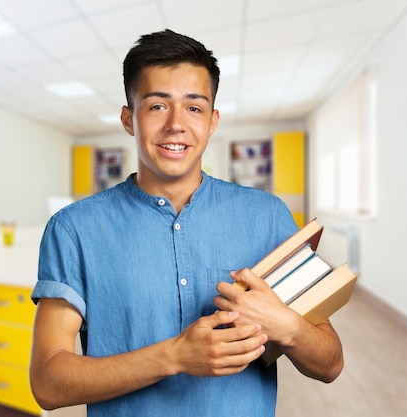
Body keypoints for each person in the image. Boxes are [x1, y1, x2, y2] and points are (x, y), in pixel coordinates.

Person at [29, 29, 343, 417]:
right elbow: (47, 382)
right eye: (157, 106)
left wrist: (288, 326)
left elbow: (330, 364)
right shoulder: (73, 229)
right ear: (129, 119)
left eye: (193, 108)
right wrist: (174, 356)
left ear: (212, 121)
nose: (176, 124)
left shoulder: (268, 216)